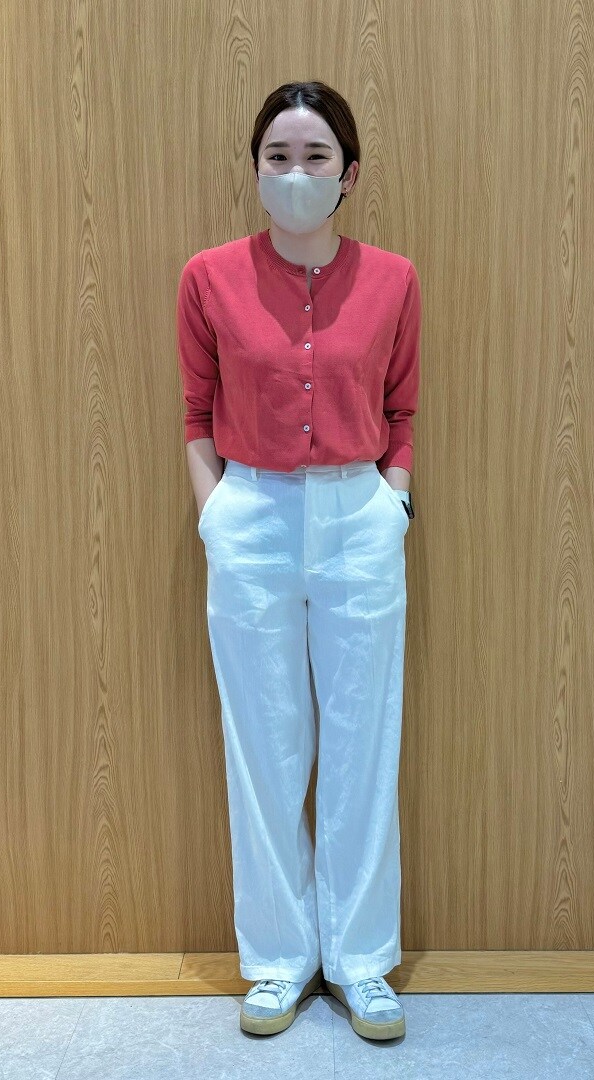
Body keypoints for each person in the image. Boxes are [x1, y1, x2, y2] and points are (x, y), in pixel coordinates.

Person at [176, 81, 420, 1042]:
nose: (295, 173)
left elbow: (403, 408)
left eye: (315, 156)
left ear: (349, 173)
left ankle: (363, 963)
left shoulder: (394, 280)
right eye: (277, 156)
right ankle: (278, 962)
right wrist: (216, 516)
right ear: (255, 169)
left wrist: (394, 503)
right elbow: (196, 411)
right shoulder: (208, 278)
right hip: (253, 515)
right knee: (265, 745)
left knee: (363, 740)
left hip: (361, 514)